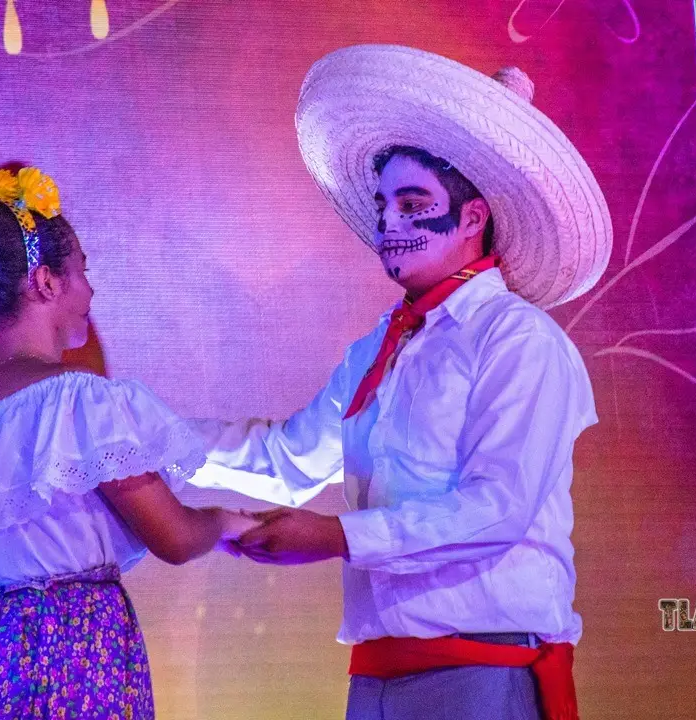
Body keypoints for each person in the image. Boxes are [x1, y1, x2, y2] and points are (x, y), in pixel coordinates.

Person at [188, 45, 613, 720]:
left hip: (481, 663)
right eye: (385, 204)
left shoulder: (518, 341)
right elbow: (289, 459)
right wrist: (151, 439)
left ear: (473, 217)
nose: (389, 222)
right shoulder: (378, 351)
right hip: (381, 673)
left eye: (414, 204)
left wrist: (337, 537)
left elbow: (496, 509)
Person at [0, 167, 256, 719]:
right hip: (69, 649)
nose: (91, 290)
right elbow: (174, 538)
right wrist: (225, 523)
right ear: (45, 282)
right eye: (83, 271)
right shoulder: (78, 402)